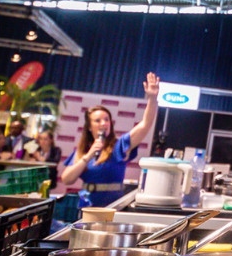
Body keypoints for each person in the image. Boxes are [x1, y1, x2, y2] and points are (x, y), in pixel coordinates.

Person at [60, 73, 160, 207]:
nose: (104, 123)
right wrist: (88, 156)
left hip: (112, 206)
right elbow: (67, 179)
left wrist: (152, 98)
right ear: (89, 127)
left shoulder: (119, 146)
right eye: (98, 120)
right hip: (86, 206)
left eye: (106, 119)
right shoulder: (83, 151)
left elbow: (145, 124)